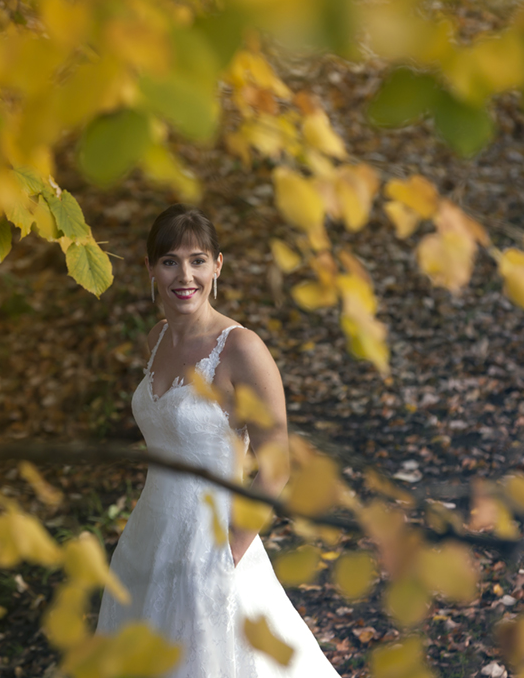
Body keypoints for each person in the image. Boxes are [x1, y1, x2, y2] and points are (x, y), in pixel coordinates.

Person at [96, 204, 341, 677]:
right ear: (150, 269)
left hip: (214, 541)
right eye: (169, 261)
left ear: (217, 266)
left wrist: (230, 550)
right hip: (148, 535)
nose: (183, 275)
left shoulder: (242, 349)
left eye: (197, 260)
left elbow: (277, 466)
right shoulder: (158, 337)